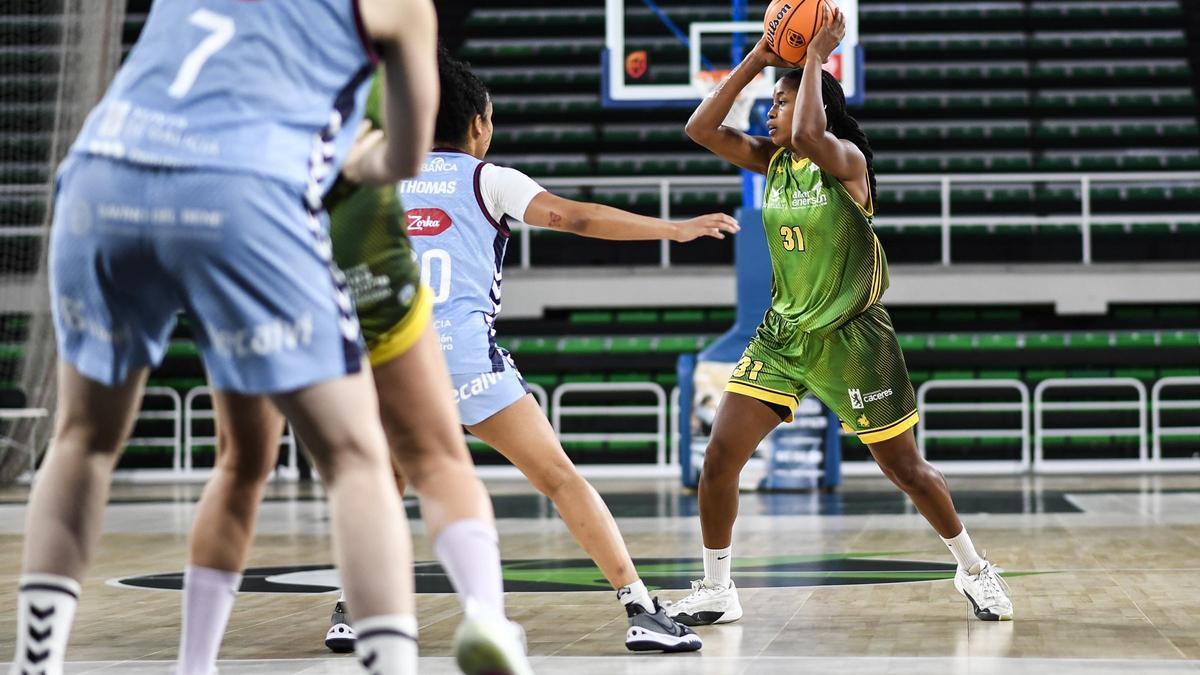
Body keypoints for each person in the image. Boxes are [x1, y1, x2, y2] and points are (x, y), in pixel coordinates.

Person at [8, 1, 440, 674]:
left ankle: (36, 664)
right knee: (356, 456)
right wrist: (360, 159)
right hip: (241, 191)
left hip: (101, 171)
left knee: (83, 440)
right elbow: (407, 155)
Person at [326, 48, 740, 655]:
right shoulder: (486, 178)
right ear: (477, 126)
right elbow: (574, 219)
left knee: (381, 487)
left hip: (392, 362)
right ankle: (639, 609)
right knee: (560, 479)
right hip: (466, 362)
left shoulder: (381, 177)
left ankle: (353, 610)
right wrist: (672, 229)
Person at [666, 8, 1014, 626]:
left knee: (905, 469)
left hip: (854, 335)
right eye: (768, 102)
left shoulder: (846, 161)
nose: (765, 111)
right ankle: (718, 588)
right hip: (784, 335)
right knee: (719, 459)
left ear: (814, 103)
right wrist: (759, 59)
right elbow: (699, 127)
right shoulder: (771, 162)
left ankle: (973, 568)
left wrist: (812, 60)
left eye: (778, 100)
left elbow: (807, 135)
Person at [177, 73, 534, 675]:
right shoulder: (379, 66)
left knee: (244, 467)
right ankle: (480, 616)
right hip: (372, 289)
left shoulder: (242, 82)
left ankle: (196, 662)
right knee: (435, 462)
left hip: (250, 268)